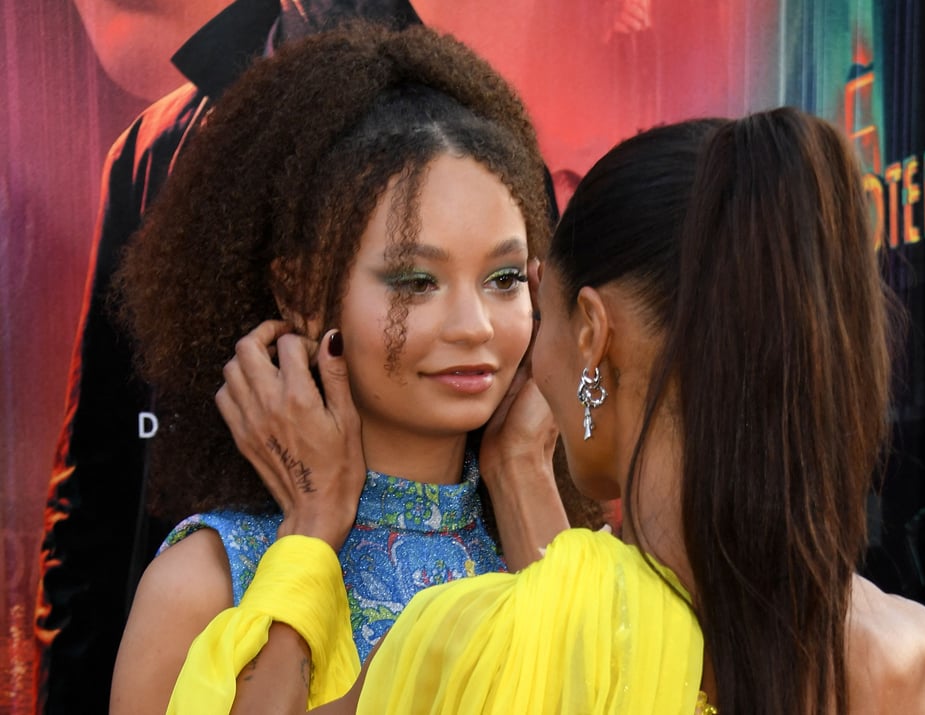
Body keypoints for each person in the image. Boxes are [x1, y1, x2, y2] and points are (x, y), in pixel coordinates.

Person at [205, 110, 925, 713]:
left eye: (518, 286)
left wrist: (309, 526)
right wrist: (520, 463)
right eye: (416, 279)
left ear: (592, 330)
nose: (486, 333)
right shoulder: (901, 650)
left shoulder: (466, 638)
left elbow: (580, 639)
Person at [106, 21, 601, 714]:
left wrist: (522, 466)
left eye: (505, 277)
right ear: (302, 295)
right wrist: (313, 529)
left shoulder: (590, 561)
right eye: (414, 281)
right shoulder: (206, 582)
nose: (475, 325)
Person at [35, 2, 424, 712]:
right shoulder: (153, 149)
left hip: (415, 615)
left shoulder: (468, 125)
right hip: (186, 628)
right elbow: (99, 470)